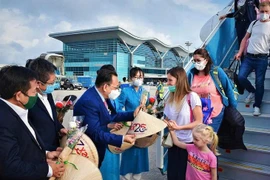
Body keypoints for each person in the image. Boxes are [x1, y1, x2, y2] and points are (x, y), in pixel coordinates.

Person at [0, 65, 65, 180]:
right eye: (34, 92)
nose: (36, 95)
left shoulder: (18, 110)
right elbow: (10, 167)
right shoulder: (4, 121)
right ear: (19, 95)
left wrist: (45, 154)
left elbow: (23, 148)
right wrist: (49, 170)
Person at [73, 69, 141, 167]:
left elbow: (112, 115)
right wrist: (122, 138)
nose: (118, 91)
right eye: (116, 87)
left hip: (98, 148)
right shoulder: (89, 101)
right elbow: (95, 133)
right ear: (105, 86)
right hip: (89, 152)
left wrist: (133, 114)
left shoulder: (102, 96)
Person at [163, 66, 203, 180]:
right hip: (173, 142)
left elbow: (199, 121)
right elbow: (166, 118)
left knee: (185, 175)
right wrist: (165, 123)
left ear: (179, 80)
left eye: (170, 80)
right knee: (172, 175)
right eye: (167, 80)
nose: (167, 83)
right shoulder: (170, 98)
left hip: (189, 143)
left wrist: (179, 127)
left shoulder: (192, 97)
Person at [188, 48, 237, 132]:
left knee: (208, 140)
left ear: (206, 60)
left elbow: (228, 89)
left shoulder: (216, 72)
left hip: (214, 114)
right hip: (197, 115)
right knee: (198, 141)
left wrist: (233, 109)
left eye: (198, 60)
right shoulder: (191, 75)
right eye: (194, 61)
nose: (196, 63)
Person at [235, 1, 270, 116]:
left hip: (262, 59)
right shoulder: (254, 23)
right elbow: (245, 39)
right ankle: (252, 91)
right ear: (258, 11)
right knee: (241, 77)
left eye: (266, 11)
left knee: (259, 82)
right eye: (262, 11)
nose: (264, 13)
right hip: (249, 57)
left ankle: (257, 106)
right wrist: (240, 52)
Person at [26, 58, 67, 151]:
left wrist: (60, 129)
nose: (54, 85)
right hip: (41, 150)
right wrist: (48, 151)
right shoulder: (28, 101)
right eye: (51, 83)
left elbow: (52, 119)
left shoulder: (48, 94)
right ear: (38, 83)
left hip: (55, 147)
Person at [117, 67, 149, 180]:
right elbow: (118, 108)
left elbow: (149, 109)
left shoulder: (145, 92)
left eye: (141, 77)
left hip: (142, 127)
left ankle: (138, 176)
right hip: (130, 126)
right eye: (136, 77)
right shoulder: (125, 91)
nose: (139, 79)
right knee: (130, 151)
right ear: (131, 78)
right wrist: (127, 118)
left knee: (141, 151)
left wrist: (148, 110)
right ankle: (126, 176)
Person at [97, 65, 122, 180]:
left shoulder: (110, 97)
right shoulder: (94, 98)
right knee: (104, 171)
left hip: (113, 138)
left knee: (113, 171)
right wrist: (108, 125)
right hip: (103, 139)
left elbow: (115, 114)